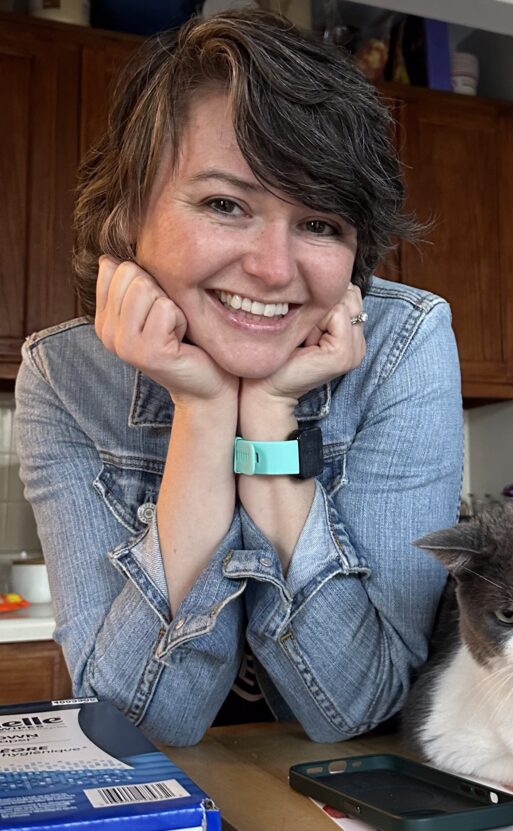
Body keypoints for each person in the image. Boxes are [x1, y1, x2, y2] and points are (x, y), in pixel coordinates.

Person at [14, 8, 463, 746]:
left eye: (320, 223)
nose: (275, 269)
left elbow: (361, 705)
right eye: (226, 204)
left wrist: (271, 421)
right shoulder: (64, 379)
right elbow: (134, 724)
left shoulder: (403, 345)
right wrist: (203, 410)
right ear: (125, 214)